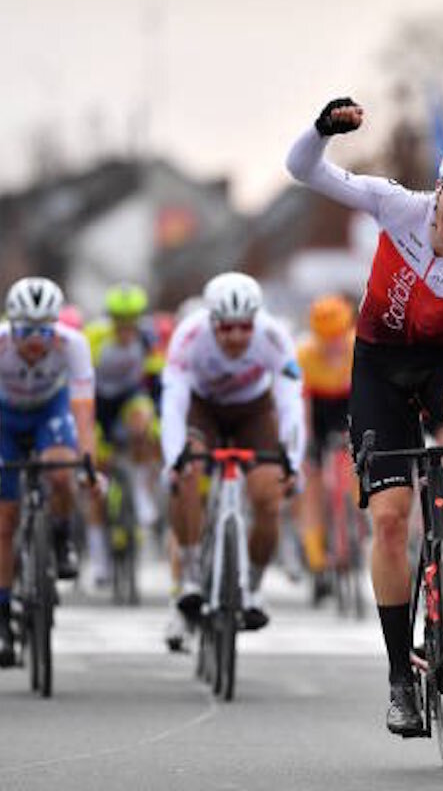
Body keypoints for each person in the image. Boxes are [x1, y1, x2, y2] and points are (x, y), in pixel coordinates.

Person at [286, 97, 443, 737]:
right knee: (390, 523)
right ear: (441, 186)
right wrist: (320, 132)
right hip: (379, 369)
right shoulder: (397, 206)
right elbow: (304, 172)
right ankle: (400, 676)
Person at [160, 272, 306, 650]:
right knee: (187, 475)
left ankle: (253, 588)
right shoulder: (189, 337)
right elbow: (173, 405)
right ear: (211, 322)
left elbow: (291, 404)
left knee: (269, 495)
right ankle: (190, 575)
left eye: (244, 327)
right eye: (226, 328)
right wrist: (174, 459)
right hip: (202, 410)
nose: (236, 337)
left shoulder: (273, 337)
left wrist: (292, 461)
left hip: (253, 412)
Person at [0, 277, 99, 666]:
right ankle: (0, 617)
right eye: (26, 329)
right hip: (4, 417)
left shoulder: (73, 344)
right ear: (11, 325)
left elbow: (83, 409)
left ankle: (63, 536)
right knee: (2, 518)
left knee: (62, 472)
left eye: (44, 329)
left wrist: (88, 462)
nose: (36, 339)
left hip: (51, 410)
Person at [84, 283, 165, 582]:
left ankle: (141, 489)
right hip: (97, 401)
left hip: (129, 397)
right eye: (120, 319)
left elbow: (156, 380)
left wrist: (158, 419)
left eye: (132, 319)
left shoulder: (147, 337)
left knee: (144, 420)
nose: (126, 327)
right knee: (98, 473)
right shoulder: (95, 337)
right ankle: (99, 558)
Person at [294, 294, 357, 602]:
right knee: (313, 486)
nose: (333, 345)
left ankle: (353, 529)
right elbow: (303, 406)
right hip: (318, 410)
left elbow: (366, 399)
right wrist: (307, 446)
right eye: (325, 339)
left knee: (354, 470)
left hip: (346, 406)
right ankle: (318, 561)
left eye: (337, 337)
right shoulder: (304, 355)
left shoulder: (357, 347)